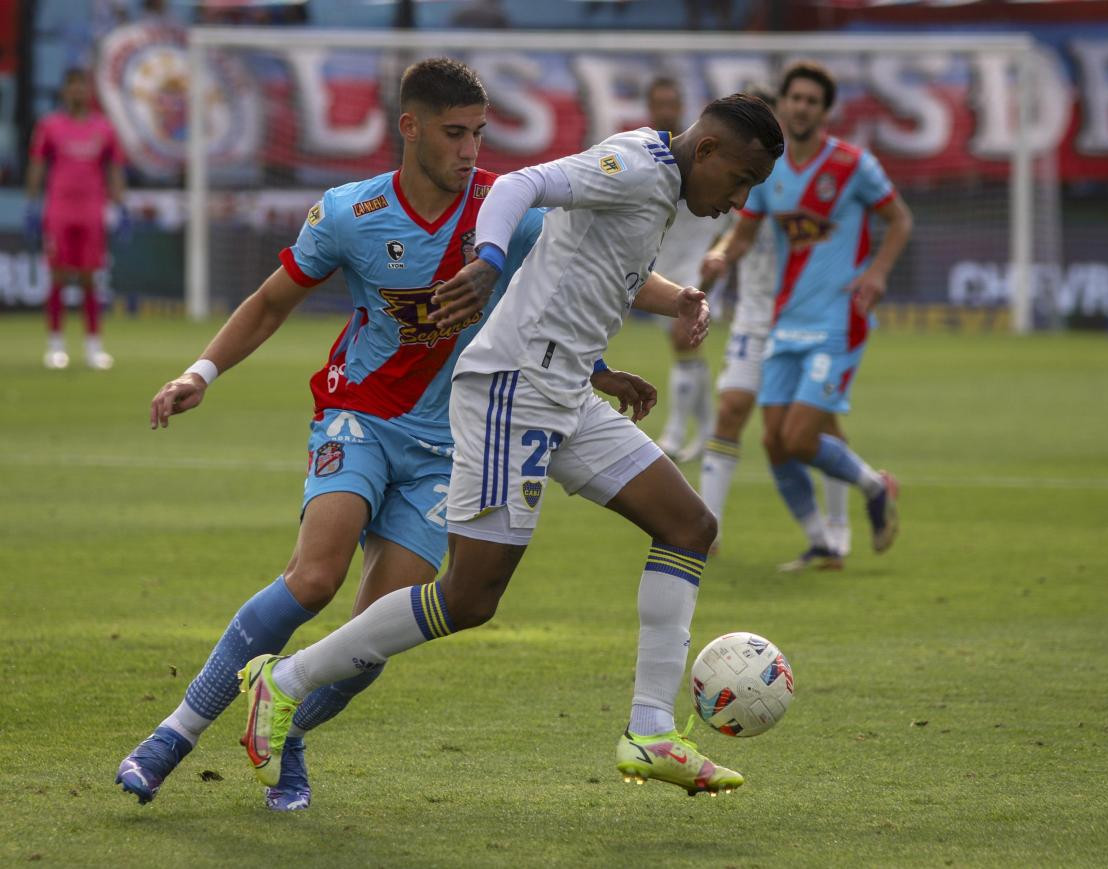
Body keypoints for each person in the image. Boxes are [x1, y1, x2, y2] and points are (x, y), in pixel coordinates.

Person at [115, 57, 646, 812]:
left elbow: (554, 301)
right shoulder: (350, 213)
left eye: (480, 134)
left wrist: (615, 356)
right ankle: (171, 735)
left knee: (373, 636)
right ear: (411, 127)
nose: (471, 151)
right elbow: (270, 304)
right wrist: (201, 371)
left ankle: (289, 728)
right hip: (357, 416)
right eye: (455, 134)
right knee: (315, 578)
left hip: (450, 445)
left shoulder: (506, 213)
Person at [237, 93, 783, 798]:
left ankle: (650, 731)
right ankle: (283, 679)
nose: (738, 200)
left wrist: (639, 329)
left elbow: (581, 275)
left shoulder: (661, 184)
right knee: (468, 599)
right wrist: (488, 259)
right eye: (739, 180)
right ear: (707, 151)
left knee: (689, 525)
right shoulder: (634, 168)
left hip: (564, 395)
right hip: (513, 393)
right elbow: (525, 184)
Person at [701, 60, 913, 571]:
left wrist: (878, 272)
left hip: (837, 319)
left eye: (811, 101)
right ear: (786, 104)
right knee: (775, 443)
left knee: (800, 437)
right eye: (795, 98)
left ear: (824, 110)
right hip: (784, 321)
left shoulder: (852, 164)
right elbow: (745, 235)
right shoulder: (770, 173)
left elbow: (899, 219)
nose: (801, 107)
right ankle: (823, 538)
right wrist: (720, 257)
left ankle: (872, 488)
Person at [698, 85, 852, 560]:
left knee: (811, 426)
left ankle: (837, 526)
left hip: (803, 316)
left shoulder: (804, 179)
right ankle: (708, 529)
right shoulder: (745, 178)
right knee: (731, 411)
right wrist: (719, 259)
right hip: (754, 315)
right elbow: (735, 236)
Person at [645, 76, 731, 463]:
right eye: (658, 102)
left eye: (671, 102)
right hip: (664, 267)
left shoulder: (700, 154)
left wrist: (718, 254)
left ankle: (675, 436)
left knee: (684, 340)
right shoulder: (646, 154)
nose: (665, 109)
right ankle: (710, 432)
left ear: (681, 107)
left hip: (700, 263)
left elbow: (730, 212)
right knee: (687, 348)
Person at [26, 68, 127, 370]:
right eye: (72, 87)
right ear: (64, 92)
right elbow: (37, 164)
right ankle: (56, 345)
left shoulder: (104, 128)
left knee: (89, 277)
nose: (77, 92)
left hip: (91, 211)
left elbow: (114, 168)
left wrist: (120, 206)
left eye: (82, 87)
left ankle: (93, 346)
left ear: (88, 92)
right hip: (59, 209)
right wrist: (32, 204)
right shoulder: (50, 126)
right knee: (57, 274)